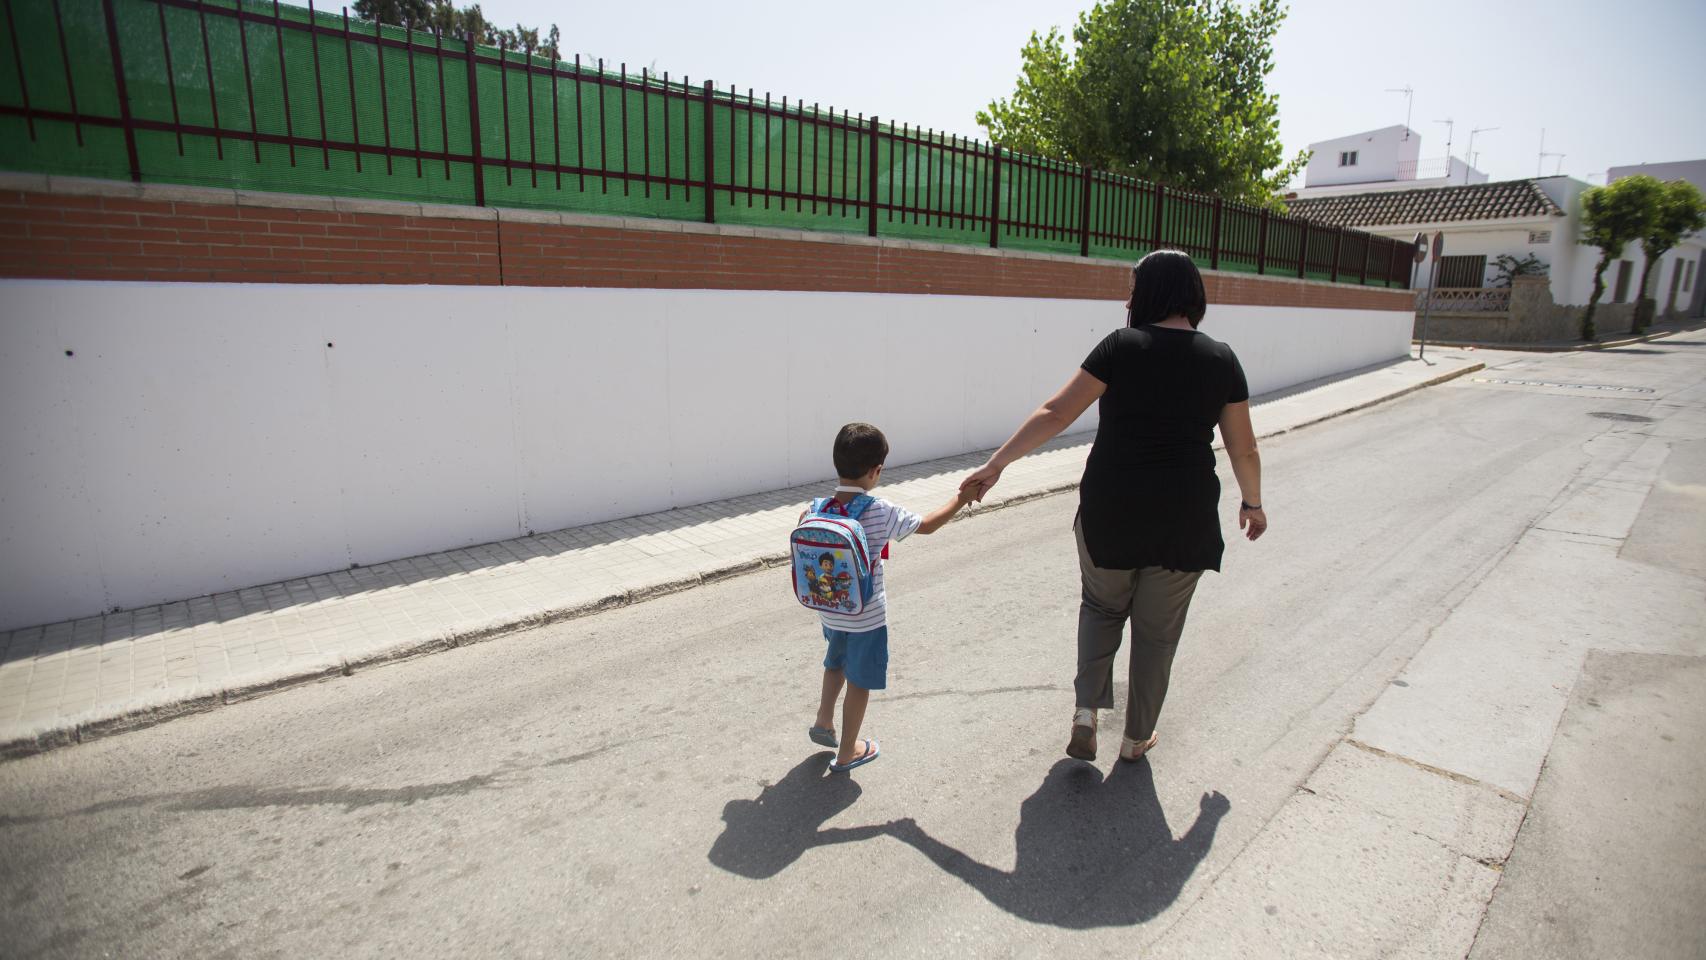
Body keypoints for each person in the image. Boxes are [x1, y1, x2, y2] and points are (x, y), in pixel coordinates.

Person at [959, 250, 1267, 764]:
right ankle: (1135, 738)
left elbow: (1057, 411)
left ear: (1147, 293)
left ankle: (1086, 712)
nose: (1125, 298)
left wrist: (998, 464)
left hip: (1111, 508)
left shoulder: (1121, 347)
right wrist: (1252, 502)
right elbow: (1244, 447)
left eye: (1132, 286)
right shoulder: (1222, 359)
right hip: (1183, 517)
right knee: (1157, 633)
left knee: (1101, 609)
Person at [807, 422, 974, 772]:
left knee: (834, 661)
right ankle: (848, 750)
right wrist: (961, 498)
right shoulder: (879, 510)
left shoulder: (817, 506)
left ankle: (824, 720)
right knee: (860, 680)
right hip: (866, 615)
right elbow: (926, 525)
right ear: (875, 471)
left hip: (831, 609)